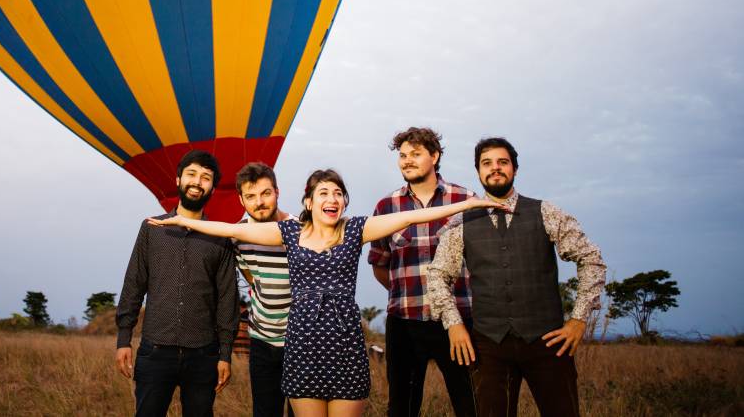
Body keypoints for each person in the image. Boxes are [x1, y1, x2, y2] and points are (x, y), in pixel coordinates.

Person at [149, 168, 506, 417]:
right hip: (302, 347)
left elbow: (415, 218)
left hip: (345, 346)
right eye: (324, 193)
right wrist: (183, 220)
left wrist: (469, 204)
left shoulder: (356, 231)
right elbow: (232, 230)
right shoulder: (289, 233)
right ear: (309, 202)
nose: (332, 198)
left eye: (338, 193)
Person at [425, 137, 607, 417]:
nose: (495, 168)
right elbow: (437, 275)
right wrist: (453, 324)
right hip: (488, 344)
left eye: (503, 162)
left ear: (515, 169)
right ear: (478, 171)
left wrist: (578, 320)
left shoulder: (546, 212)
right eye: (487, 163)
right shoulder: (462, 221)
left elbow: (591, 258)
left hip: (548, 341)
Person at [114, 150, 239, 416]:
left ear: (213, 188)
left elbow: (228, 297)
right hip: (155, 350)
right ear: (178, 179)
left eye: (206, 178)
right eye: (191, 174)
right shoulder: (152, 229)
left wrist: (225, 354)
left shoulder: (221, 237)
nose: (197, 182)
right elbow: (134, 284)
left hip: (203, 355)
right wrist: (124, 338)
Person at [368, 127, 477, 416]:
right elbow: (380, 263)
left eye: (416, 154)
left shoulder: (465, 199)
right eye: (403, 155)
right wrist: (404, 294)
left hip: (458, 320)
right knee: (402, 406)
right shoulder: (386, 206)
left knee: (471, 402)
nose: (407, 160)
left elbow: (483, 259)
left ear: (435, 156)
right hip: (405, 322)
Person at [231, 163, 295, 417]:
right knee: (264, 411)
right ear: (241, 199)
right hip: (261, 340)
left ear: (277, 192)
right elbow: (252, 278)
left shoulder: (300, 230)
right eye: (251, 196)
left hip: (300, 340)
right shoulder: (237, 235)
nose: (259, 202)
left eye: (266, 193)